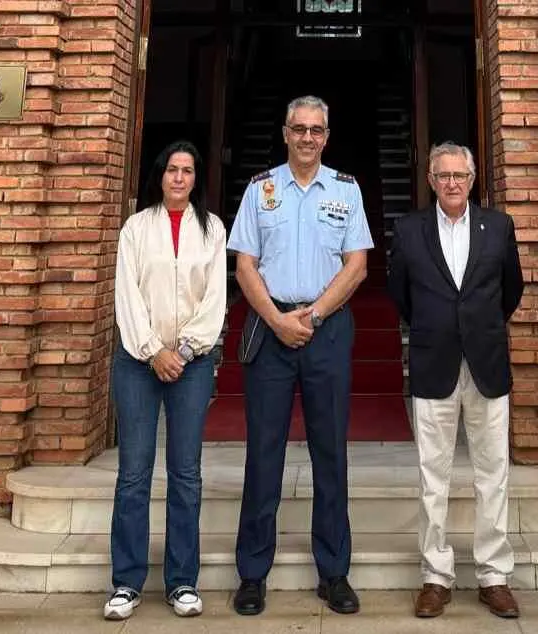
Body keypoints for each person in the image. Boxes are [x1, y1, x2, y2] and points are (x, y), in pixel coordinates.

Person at [226, 95, 373, 616]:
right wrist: (276, 320)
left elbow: (356, 266)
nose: (308, 138)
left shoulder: (347, 190)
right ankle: (252, 572)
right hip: (270, 331)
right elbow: (245, 265)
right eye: (299, 129)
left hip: (326, 331)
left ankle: (334, 572)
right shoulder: (259, 189)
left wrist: (309, 318)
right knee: (263, 454)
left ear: (326, 137)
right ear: (285, 133)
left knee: (330, 453)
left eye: (317, 130)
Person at [387, 142, 525, 619]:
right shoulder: (408, 231)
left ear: (472, 179)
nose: (451, 183)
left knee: (493, 472)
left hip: (486, 364)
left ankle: (493, 574)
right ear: (430, 179)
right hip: (434, 363)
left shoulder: (499, 227)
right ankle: (435, 575)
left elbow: (512, 290)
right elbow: (399, 294)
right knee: (433, 476)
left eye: (460, 175)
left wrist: (477, 326)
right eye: (443, 175)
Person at [104, 140, 227, 621]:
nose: (179, 178)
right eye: (172, 169)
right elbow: (126, 296)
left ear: (196, 179)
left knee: (186, 473)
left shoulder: (212, 229)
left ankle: (182, 581)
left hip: (191, 364)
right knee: (133, 474)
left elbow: (215, 297)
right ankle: (126, 582)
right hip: (138, 361)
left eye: (188, 171)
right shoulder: (136, 227)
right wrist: (155, 350)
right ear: (160, 175)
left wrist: (185, 350)